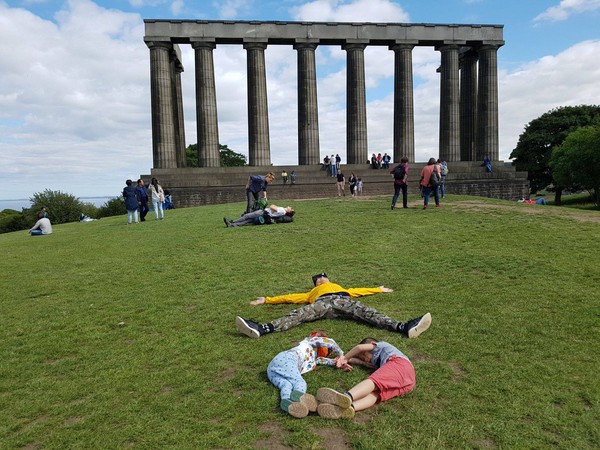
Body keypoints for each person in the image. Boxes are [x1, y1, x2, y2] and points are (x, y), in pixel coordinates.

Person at [235, 272, 432, 340]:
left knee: (368, 313)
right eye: (319, 278)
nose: (322, 278)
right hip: (321, 304)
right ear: (316, 283)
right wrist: (267, 299)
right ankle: (262, 328)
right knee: (298, 314)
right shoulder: (312, 292)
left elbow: (358, 290)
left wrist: (378, 289)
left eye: (324, 276)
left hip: (342, 300)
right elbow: (290, 297)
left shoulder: (340, 287)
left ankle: (403, 327)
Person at [315, 337, 415, 420]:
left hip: (400, 365)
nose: (365, 359)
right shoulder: (376, 362)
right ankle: (350, 408)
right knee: (376, 394)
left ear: (372, 344)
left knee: (373, 381)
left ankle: (348, 396)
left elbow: (359, 347)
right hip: (409, 383)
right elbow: (356, 359)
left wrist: (345, 357)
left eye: (364, 355)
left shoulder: (380, 345)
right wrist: (346, 361)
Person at [267, 331, 346, 418]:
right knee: (299, 382)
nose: (328, 352)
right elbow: (330, 342)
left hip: (272, 369)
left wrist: (337, 362)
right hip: (287, 359)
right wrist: (342, 355)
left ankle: (286, 401)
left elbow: (320, 360)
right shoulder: (309, 342)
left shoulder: (313, 359)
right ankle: (300, 397)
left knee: (286, 384)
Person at [224, 204, 295, 227]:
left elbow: (271, 207)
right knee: (247, 221)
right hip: (265, 214)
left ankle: (232, 222)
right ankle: (232, 224)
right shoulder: (282, 210)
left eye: (291, 209)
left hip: (263, 212)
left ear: (289, 211)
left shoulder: (282, 211)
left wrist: (273, 206)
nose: (290, 207)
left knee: (247, 216)